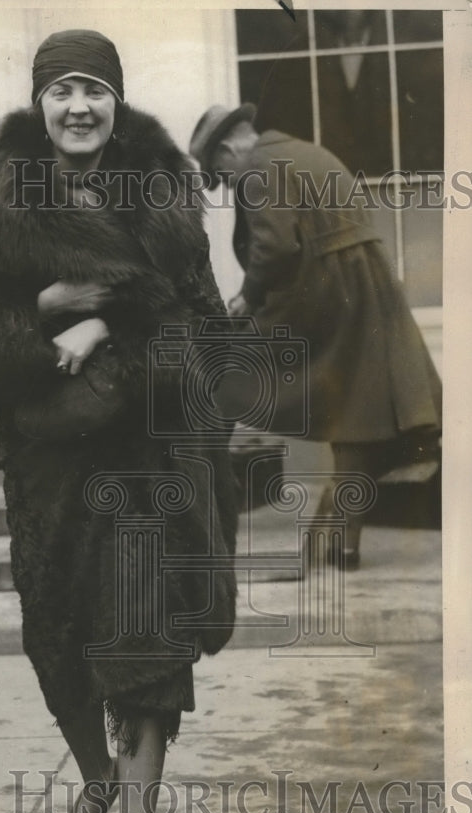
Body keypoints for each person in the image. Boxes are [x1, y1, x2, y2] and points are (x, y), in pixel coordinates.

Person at [0, 30, 239, 813]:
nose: (77, 109)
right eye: (61, 90)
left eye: (93, 91)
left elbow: (205, 331)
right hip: (50, 471)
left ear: (116, 101)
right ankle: (93, 773)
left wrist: (112, 328)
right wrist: (46, 314)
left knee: (148, 667)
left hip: (143, 466)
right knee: (60, 642)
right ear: (40, 102)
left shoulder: (165, 197)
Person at [189, 103, 442, 569]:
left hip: (325, 291)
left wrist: (249, 295)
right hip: (368, 288)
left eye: (218, 173)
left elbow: (276, 245)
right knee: (357, 420)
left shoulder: (257, 166)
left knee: (219, 377)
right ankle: (343, 545)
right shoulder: (305, 151)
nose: (224, 183)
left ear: (228, 149)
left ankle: (195, 512)